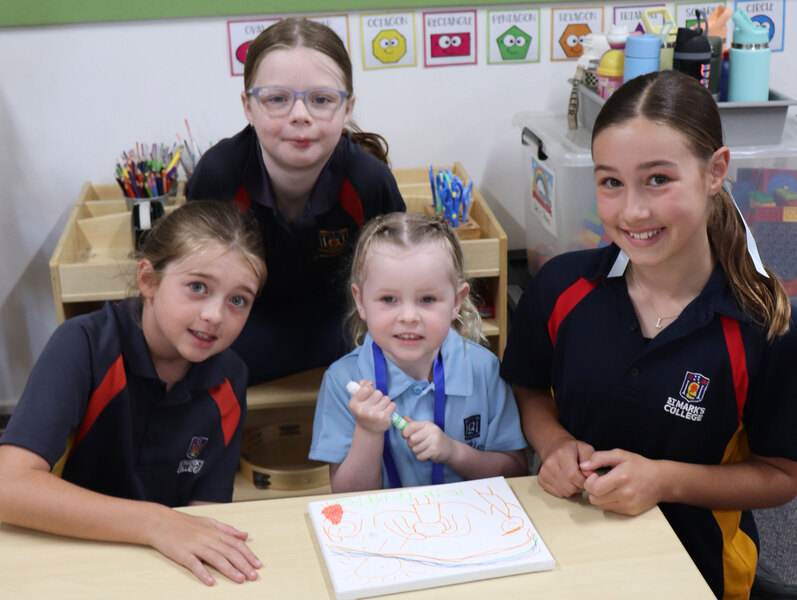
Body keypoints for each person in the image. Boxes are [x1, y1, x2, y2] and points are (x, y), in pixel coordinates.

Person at [501, 70, 797, 600]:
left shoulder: (763, 323)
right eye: (611, 181)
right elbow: (526, 387)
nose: (632, 210)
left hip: (697, 571)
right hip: (562, 554)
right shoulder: (562, 288)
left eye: (658, 179)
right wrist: (554, 444)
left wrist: (663, 480)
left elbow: (781, 473)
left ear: (715, 172)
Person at [0, 201, 269, 586]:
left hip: (162, 567)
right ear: (148, 280)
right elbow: (9, 486)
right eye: (197, 287)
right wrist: (155, 522)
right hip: (70, 556)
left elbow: (205, 510)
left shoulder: (231, 375)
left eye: (238, 300)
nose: (215, 315)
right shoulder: (84, 345)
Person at [186, 17, 405, 385]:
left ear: (347, 108)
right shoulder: (218, 175)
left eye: (321, 100)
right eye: (276, 99)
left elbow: (400, 289)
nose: (299, 116)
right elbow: (193, 285)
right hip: (246, 328)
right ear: (247, 106)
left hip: (344, 330)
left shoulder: (369, 182)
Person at [310, 212, 528, 492]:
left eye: (427, 299)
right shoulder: (343, 381)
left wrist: (453, 452)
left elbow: (517, 472)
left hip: (469, 525)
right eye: (389, 299)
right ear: (360, 301)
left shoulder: (484, 369)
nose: (409, 316)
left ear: (456, 302)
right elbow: (346, 496)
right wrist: (368, 432)